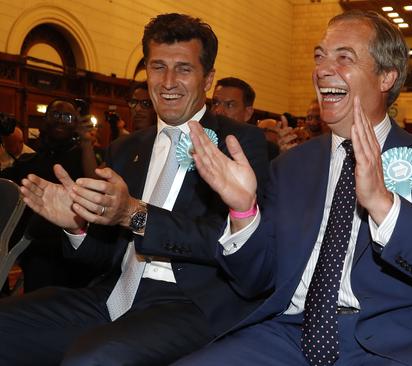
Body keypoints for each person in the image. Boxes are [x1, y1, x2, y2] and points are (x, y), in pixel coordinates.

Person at [177, 10, 412, 365]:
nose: (323, 69)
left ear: (386, 76)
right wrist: (244, 210)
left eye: (344, 57)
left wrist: (384, 206)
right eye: (320, 55)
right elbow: (254, 281)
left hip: (394, 345)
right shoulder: (290, 167)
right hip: (287, 336)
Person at [0, 13, 269, 365]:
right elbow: (106, 254)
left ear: (208, 79)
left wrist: (134, 214)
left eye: (183, 69)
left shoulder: (239, 142)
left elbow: (225, 243)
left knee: (93, 358)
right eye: (158, 67)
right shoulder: (126, 149)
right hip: (113, 293)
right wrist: (77, 225)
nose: (168, 82)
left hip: (190, 302)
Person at [1, 100, 100, 292]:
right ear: (45, 120)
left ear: (76, 123)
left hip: (75, 247)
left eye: (67, 117)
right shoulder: (30, 160)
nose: (61, 121)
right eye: (55, 115)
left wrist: (87, 143)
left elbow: (95, 185)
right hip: (38, 248)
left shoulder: (84, 156)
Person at [212, 77, 280, 159]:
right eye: (216, 103)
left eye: (229, 105)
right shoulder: (199, 138)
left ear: (248, 113)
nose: (218, 110)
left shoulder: (265, 152)